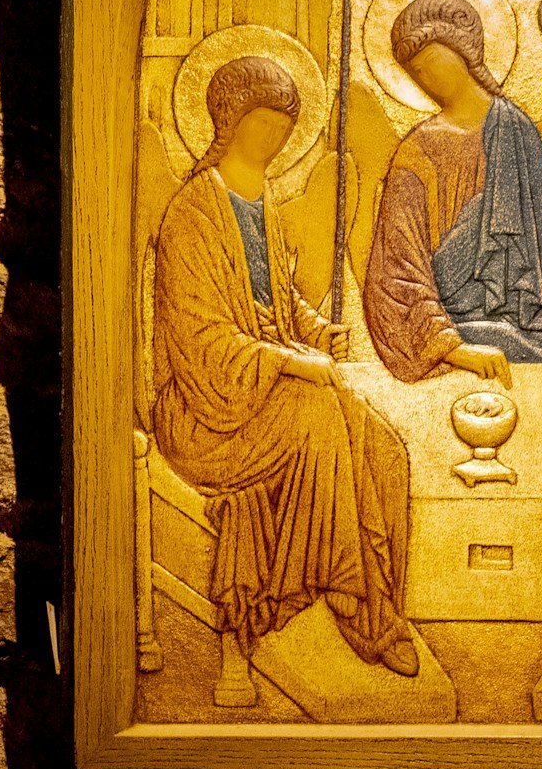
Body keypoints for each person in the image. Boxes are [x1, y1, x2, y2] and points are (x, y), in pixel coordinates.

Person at [150, 54, 419, 694]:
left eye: (285, 124)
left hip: (261, 390)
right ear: (228, 119)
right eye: (263, 120)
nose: (275, 135)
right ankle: (357, 604)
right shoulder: (193, 212)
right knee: (321, 415)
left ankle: (379, 594)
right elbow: (200, 339)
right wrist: (292, 360)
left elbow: (277, 301)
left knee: (381, 444)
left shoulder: (259, 200)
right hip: (207, 410)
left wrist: (317, 332)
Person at [362, 0, 542, 384]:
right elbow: (397, 266)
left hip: (525, 308)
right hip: (450, 319)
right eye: (415, 72)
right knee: (497, 336)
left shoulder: (516, 129)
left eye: (431, 61)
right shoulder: (417, 150)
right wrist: (453, 346)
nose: (425, 78)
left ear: (462, 50)